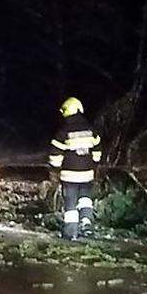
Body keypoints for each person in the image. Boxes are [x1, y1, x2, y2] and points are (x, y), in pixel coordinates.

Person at [48, 96, 102, 240]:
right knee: (85, 199)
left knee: (70, 203)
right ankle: (87, 226)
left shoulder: (64, 131)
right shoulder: (91, 130)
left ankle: (70, 233)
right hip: (87, 174)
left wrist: (54, 169)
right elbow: (97, 151)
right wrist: (94, 164)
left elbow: (55, 155)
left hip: (69, 175)